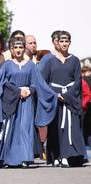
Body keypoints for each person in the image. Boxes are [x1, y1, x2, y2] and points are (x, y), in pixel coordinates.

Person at [0, 37, 57, 168]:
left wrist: (30, 90)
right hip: (10, 100)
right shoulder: (6, 65)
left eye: (20, 47)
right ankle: (8, 159)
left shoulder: (31, 65)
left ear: (24, 48)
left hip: (26, 101)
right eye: (15, 47)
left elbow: (37, 83)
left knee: (25, 129)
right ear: (11, 49)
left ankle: (24, 158)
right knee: (10, 129)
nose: (18, 50)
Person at [42, 31, 86, 167]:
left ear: (70, 43)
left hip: (70, 99)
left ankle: (68, 156)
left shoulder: (74, 60)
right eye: (62, 41)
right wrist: (55, 95)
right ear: (57, 43)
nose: (64, 44)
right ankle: (56, 155)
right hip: (56, 100)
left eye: (67, 41)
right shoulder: (50, 61)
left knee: (69, 127)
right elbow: (43, 82)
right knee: (56, 127)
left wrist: (67, 96)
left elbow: (78, 81)